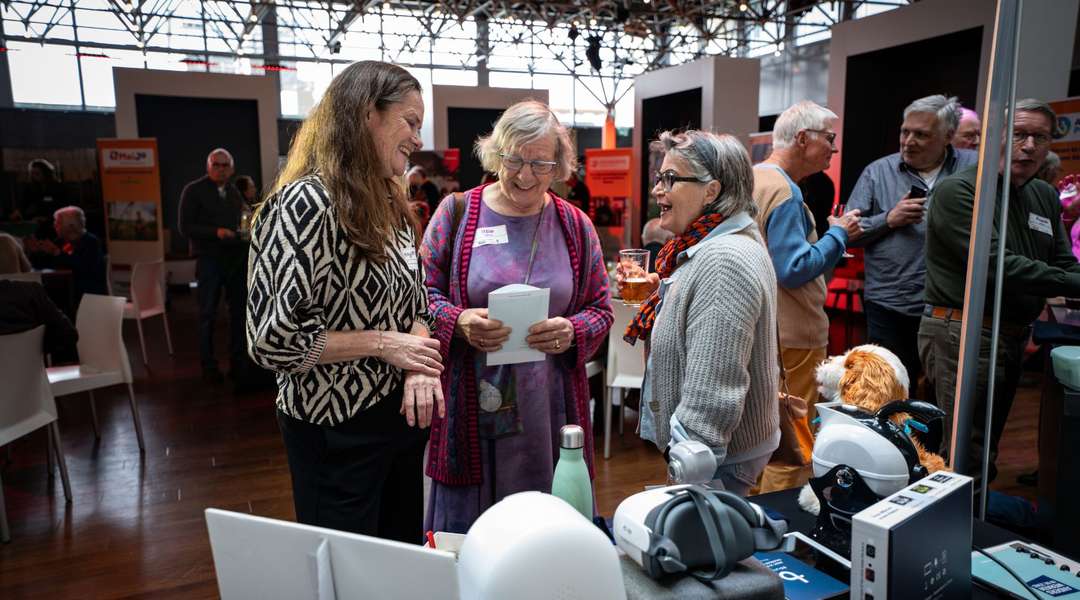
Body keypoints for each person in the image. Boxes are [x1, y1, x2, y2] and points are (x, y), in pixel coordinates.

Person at [247, 60, 443, 544]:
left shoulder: (390, 203)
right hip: (336, 428)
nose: (418, 140)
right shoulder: (303, 204)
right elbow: (272, 340)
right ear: (365, 115)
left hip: (398, 421)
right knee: (343, 570)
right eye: (410, 122)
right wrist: (382, 344)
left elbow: (418, 305)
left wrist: (416, 360)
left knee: (395, 563)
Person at [422, 99, 613, 533]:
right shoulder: (455, 214)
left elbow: (601, 309)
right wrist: (459, 321)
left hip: (550, 410)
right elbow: (418, 297)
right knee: (472, 542)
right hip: (472, 405)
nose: (525, 175)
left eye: (540, 164)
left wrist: (572, 329)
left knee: (548, 537)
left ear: (559, 166)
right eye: (513, 160)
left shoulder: (576, 225)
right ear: (496, 153)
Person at [920, 98, 1080, 487]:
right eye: (1019, 134)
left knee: (987, 444)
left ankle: (974, 526)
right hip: (963, 333)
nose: (1029, 145)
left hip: (1010, 335)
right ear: (996, 138)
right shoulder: (959, 192)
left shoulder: (1041, 193)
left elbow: (1061, 259)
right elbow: (995, 265)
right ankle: (950, 534)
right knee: (961, 449)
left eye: (1039, 137)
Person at [622, 130, 780, 496]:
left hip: (714, 463)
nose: (658, 190)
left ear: (712, 191)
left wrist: (687, 477)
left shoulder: (722, 260)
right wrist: (660, 291)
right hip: (716, 458)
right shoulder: (712, 244)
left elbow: (714, 394)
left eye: (671, 179)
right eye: (660, 178)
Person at [752, 100, 861, 492]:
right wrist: (839, 232)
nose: (834, 148)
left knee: (757, 434)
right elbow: (793, 269)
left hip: (760, 329)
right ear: (802, 138)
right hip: (793, 335)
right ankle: (778, 527)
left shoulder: (752, 179)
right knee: (792, 439)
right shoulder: (784, 192)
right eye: (829, 138)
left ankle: (750, 520)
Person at [846, 95, 978, 393]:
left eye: (921, 134)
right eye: (905, 132)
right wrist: (888, 218)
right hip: (890, 304)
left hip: (950, 306)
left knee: (944, 397)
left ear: (947, 137)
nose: (909, 141)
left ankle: (931, 442)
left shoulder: (973, 168)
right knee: (889, 393)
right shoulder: (877, 172)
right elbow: (848, 231)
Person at [178, 148, 248, 383]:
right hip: (208, 259)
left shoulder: (234, 192)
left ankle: (237, 363)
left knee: (238, 314)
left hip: (234, 260)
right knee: (207, 314)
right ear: (208, 167)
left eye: (224, 165)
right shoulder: (194, 190)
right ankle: (208, 365)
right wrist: (214, 232)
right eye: (216, 165)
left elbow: (240, 221)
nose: (220, 169)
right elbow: (185, 227)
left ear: (232, 169)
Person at [24, 206, 107, 308]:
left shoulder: (91, 243)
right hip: (64, 294)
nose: (54, 225)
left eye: (58, 223)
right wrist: (34, 252)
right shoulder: (62, 242)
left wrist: (56, 252)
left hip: (88, 298)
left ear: (71, 226)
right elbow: (43, 264)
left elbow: (82, 267)